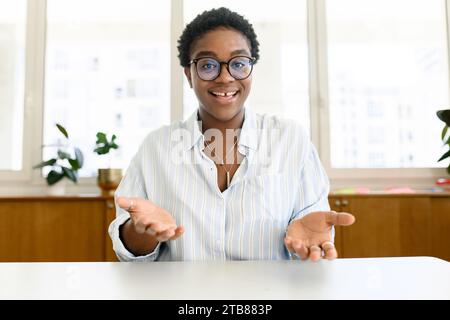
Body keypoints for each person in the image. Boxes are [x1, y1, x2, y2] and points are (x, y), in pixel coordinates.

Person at [108, 7, 355, 262]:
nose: (225, 78)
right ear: (189, 75)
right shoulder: (156, 148)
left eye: (238, 64)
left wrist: (308, 240)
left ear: (251, 70)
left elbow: (312, 229)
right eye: (207, 66)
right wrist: (142, 231)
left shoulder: (291, 140)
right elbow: (128, 251)